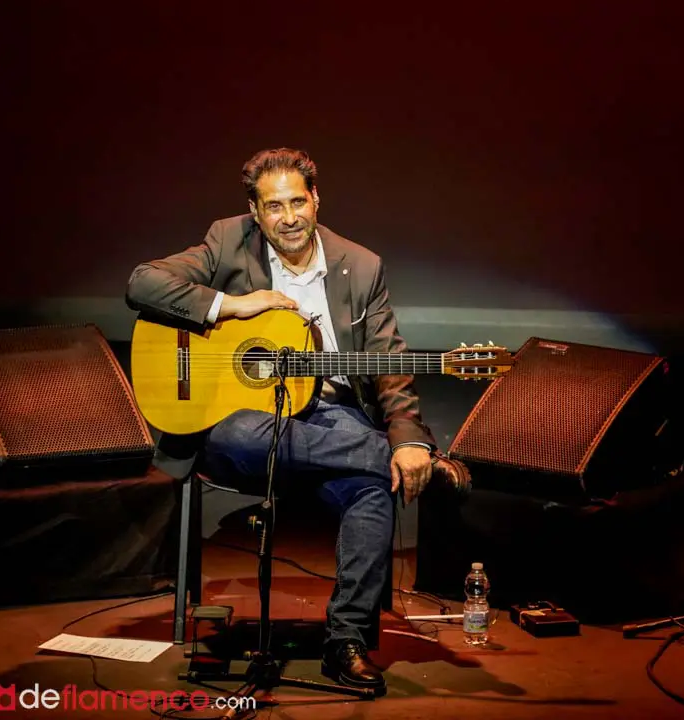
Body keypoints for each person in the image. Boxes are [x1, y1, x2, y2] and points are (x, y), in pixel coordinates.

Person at [126, 147, 469, 695]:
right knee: (248, 434)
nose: (288, 218)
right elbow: (143, 283)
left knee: (373, 490)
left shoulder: (361, 265)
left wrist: (407, 435)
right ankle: (399, 457)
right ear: (255, 211)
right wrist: (232, 306)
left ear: (316, 200)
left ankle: (345, 641)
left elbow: (389, 365)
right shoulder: (227, 240)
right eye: (274, 206)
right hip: (241, 425)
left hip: (330, 417)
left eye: (297, 203)